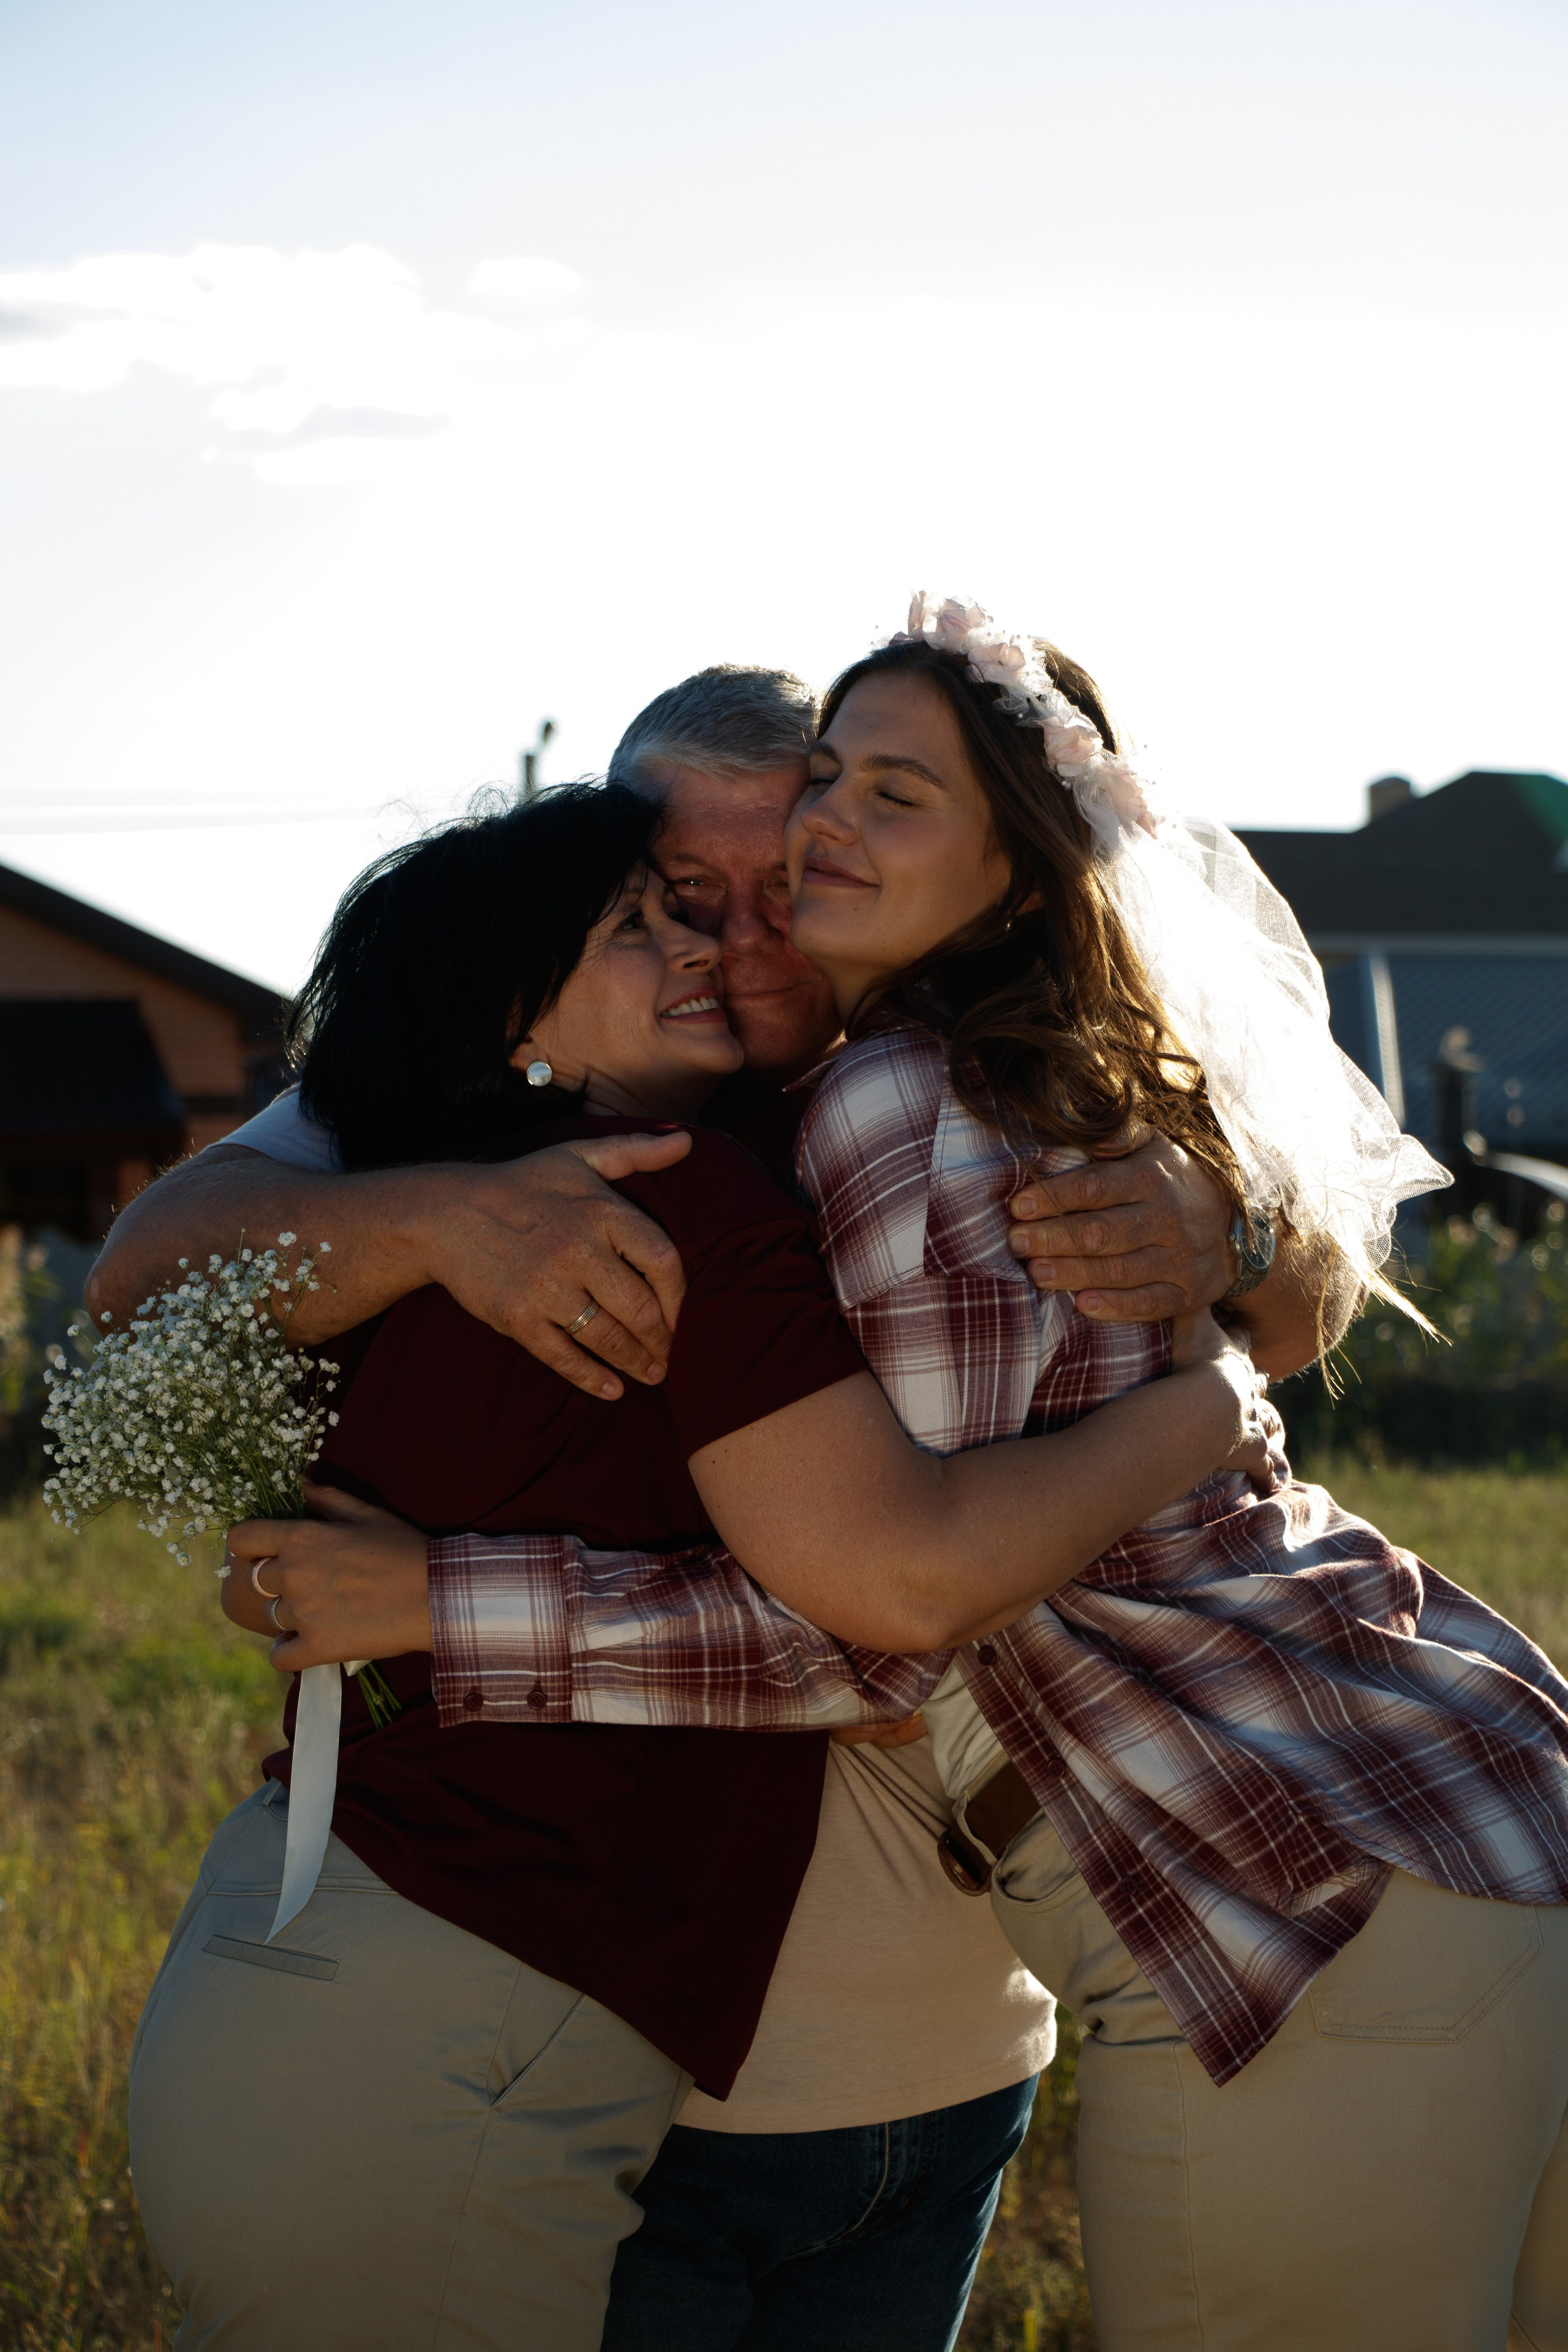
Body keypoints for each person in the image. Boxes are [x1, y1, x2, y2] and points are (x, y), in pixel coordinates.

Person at [247, 604, 1568, 2352]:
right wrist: (432, 1215)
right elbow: (155, 1263)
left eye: (863, 814)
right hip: (1420, 1826)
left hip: (1238, 1929)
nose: (755, 912)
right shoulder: (518, 1096)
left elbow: (899, 1609)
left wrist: (434, 1604)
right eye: (669, 897)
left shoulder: (899, 1100)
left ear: (1021, 876)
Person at [128, 777, 1268, 2352]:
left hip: (486, 1986)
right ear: (506, 1002)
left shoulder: (923, 1104)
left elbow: (1263, 1246)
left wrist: (1228, 1236)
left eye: (765, 895)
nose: (719, 945)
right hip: (495, 2011)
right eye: (657, 906)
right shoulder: (586, 1184)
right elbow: (903, 1597)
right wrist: (1211, 1403)